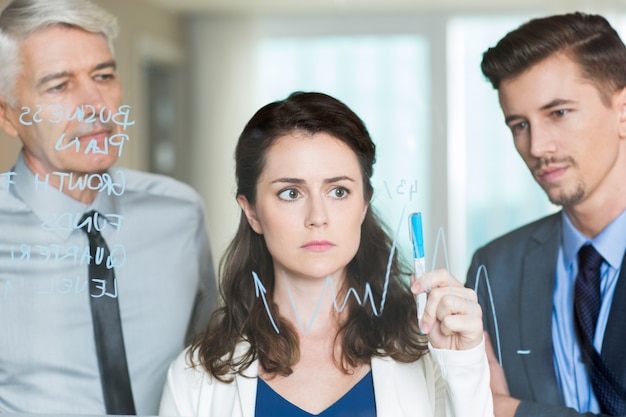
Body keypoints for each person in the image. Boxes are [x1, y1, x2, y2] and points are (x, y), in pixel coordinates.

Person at [159, 91, 493, 417]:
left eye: (338, 191)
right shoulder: (194, 377)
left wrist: (462, 367)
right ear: (252, 213)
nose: (317, 216)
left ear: (364, 205)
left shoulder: (429, 349)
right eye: (291, 193)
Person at [0, 0, 217, 414]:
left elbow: (213, 367)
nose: (95, 104)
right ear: (8, 115)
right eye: (59, 85)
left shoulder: (180, 214)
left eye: (103, 75)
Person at [465, 12, 626, 417]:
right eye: (519, 124)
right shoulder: (495, 267)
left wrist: (511, 411)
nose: (536, 147)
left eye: (558, 113)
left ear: (622, 111)